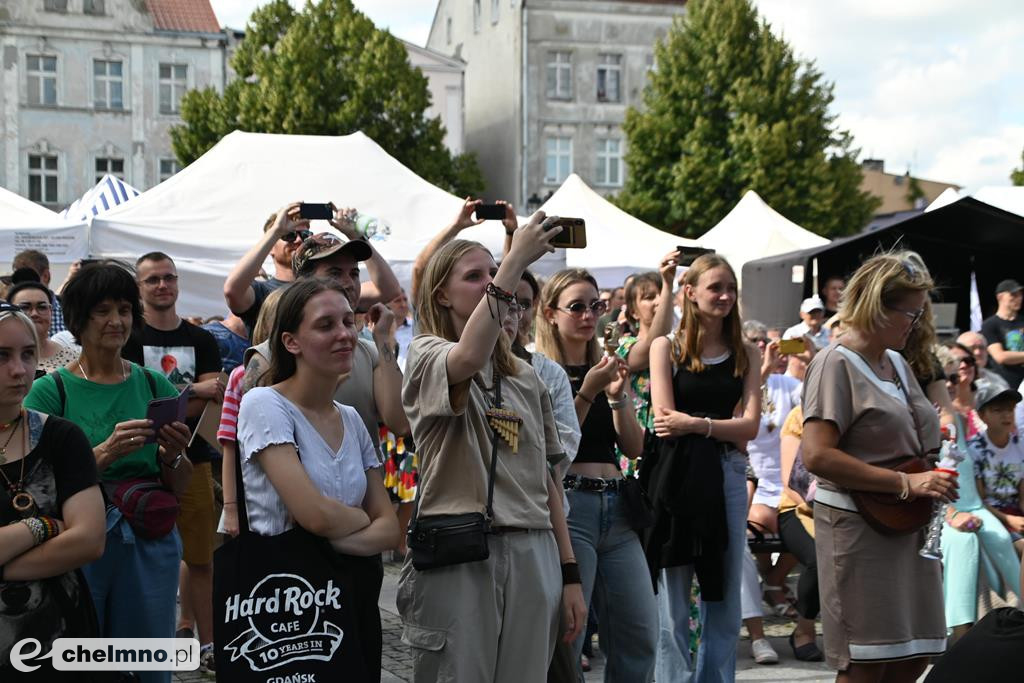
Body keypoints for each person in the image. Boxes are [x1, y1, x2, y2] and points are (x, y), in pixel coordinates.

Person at [398, 218, 586, 682]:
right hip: (461, 550)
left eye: (492, 272)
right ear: (442, 295)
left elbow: (547, 482)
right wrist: (515, 261)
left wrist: (568, 573)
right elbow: (466, 358)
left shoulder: (527, 376)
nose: (489, 284)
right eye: (473, 276)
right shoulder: (427, 352)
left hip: (533, 548)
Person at [25, 262, 192, 683]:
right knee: (85, 652)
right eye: (102, 310)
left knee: (149, 658)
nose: (116, 321)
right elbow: (38, 484)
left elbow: (181, 483)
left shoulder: (156, 385)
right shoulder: (51, 390)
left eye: (123, 309)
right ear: (79, 318)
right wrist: (102, 452)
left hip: (151, 538)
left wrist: (173, 455)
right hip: (82, 539)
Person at [801, 250, 958, 682]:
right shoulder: (834, 363)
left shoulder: (898, 364)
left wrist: (933, 470)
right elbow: (816, 455)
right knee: (868, 663)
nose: (917, 322)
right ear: (876, 306)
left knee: (912, 655)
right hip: (859, 528)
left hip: (908, 526)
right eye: (910, 312)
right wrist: (905, 483)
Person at [235, 277, 398, 679]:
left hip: (355, 594)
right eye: (326, 325)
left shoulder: (352, 418)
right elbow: (315, 515)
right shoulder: (264, 403)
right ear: (291, 342)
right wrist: (361, 520)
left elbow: (391, 530)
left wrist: (331, 532)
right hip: (290, 600)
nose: (344, 334)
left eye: (348, 321)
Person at [534, 268, 658, 681]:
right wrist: (587, 391)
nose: (589, 316)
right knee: (571, 635)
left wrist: (618, 397)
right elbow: (554, 447)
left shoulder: (605, 367)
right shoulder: (539, 372)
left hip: (618, 505)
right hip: (570, 508)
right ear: (550, 314)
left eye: (596, 306)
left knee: (640, 631)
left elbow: (634, 448)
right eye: (577, 307)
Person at [647, 253, 761, 683]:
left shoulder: (745, 352)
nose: (726, 296)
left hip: (728, 473)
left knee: (725, 591)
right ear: (689, 293)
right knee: (673, 597)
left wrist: (697, 423)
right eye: (716, 287)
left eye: (730, 288)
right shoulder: (667, 347)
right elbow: (663, 421)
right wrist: (717, 427)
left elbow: (748, 428)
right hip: (678, 477)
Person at [120, 252, 224, 670]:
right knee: (137, 560)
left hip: (193, 461)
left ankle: (210, 645)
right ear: (140, 288)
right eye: (152, 280)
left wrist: (194, 396)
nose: (162, 286)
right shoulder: (129, 337)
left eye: (169, 278)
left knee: (202, 558)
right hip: (138, 464)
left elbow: (211, 397)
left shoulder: (201, 340)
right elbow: (132, 398)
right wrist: (193, 389)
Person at [0, 305, 105, 679]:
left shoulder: (61, 437)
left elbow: (90, 540)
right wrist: (43, 526)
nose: (19, 369)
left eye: (28, 354)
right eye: (3, 356)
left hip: (57, 638)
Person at [940, 377, 1021, 643]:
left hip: (978, 509)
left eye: (952, 381)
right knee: (966, 544)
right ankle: (959, 635)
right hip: (942, 511)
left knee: (997, 538)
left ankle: (1015, 615)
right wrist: (951, 514)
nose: (952, 385)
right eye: (998, 410)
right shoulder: (975, 446)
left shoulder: (960, 424)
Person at [615, 255, 679, 476]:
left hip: (673, 451)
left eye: (661, 295)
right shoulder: (625, 346)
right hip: (638, 452)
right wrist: (669, 285)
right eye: (649, 297)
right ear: (633, 311)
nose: (659, 301)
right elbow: (653, 345)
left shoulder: (681, 350)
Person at [777, 405, 825, 661]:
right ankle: (804, 630)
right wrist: (820, 508)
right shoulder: (799, 416)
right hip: (797, 507)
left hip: (845, 508)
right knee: (821, 557)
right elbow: (789, 482)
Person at [970, 384, 1024, 552]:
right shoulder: (974, 450)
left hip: (1017, 514)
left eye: (1010, 409)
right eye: (997, 410)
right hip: (991, 516)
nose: (1006, 415)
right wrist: (1008, 519)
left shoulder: (1021, 446)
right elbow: (978, 501)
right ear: (982, 415)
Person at [6, 281, 77, 375]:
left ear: (51, 312)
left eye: (42, 307)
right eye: (25, 307)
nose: (34, 313)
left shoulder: (72, 358)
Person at [981, 279, 1024, 390]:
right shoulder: (990, 325)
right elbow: (1000, 356)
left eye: (1020, 295)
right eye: (1013, 295)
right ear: (1000, 297)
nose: (1018, 298)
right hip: (1005, 384)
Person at [12, 249, 65, 336]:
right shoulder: (10, 312)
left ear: (46, 276)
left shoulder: (69, 311)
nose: (24, 285)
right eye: (19, 279)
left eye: (28, 277)